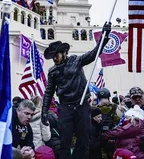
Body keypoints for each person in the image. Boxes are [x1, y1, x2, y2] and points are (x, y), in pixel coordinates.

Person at [41, 22, 111, 159]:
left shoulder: (76, 61)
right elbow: (49, 92)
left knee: (84, 139)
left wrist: (104, 36)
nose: (54, 58)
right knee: (64, 141)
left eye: (57, 55)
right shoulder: (53, 71)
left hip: (81, 105)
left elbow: (93, 54)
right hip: (65, 108)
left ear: (64, 53)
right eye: (53, 56)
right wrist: (44, 111)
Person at [96, 87, 122, 158]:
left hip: (99, 140)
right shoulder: (117, 107)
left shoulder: (94, 109)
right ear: (108, 96)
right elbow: (121, 124)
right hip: (113, 139)